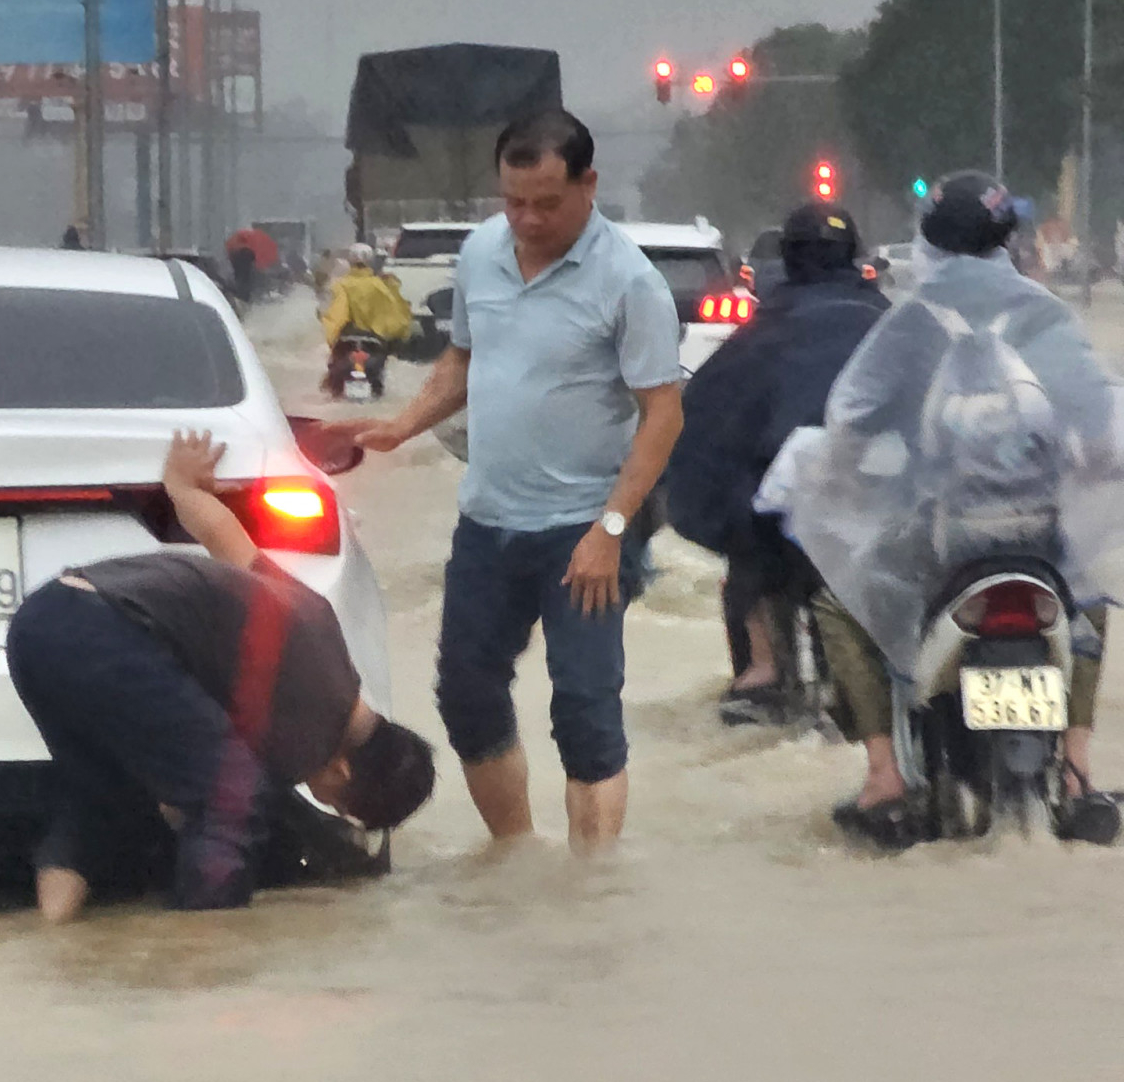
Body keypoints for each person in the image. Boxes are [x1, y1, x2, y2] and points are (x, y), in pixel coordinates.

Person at [328, 108, 685, 853]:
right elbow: (462, 359)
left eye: (547, 203)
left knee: (586, 711)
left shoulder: (630, 282)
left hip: (584, 527)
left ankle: (592, 886)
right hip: (488, 523)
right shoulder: (484, 252)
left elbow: (662, 416)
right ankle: (517, 858)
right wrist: (405, 422)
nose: (526, 219)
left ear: (589, 185)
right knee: (464, 694)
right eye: (513, 200)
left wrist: (612, 529)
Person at [767, 172, 1124, 839]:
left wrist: (843, 475)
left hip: (944, 540)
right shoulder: (1045, 316)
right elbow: (1101, 426)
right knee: (1091, 599)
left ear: (929, 242)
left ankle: (884, 775)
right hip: (1041, 542)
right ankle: (1077, 768)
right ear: (1007, 241)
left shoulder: (912, 323)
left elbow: (852, 424)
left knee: (837, 603)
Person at [4, 430, 437, 922]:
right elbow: (225, 796)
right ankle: (203, 944)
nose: (319, 797)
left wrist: (183, 488)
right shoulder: (310, 729)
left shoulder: (322, 630)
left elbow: (231, 545)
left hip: (41, 621)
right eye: (335, 801)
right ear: (342, 770)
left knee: (100, 792)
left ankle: (54, 928)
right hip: (104, 633)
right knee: (233, 797)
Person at [666, 202, 889, 725]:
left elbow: (698, 429)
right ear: (854, 258)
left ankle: (762, 671)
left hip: (782, 528)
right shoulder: (890, 327)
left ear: (787, 260)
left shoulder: (755, 338)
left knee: (747, 558)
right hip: (875, 520)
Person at [318, 243, 412, 398]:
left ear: (349, 260)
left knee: (332, 384)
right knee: (379, 381)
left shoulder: (340, 284)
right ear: (370, 260)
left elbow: (336, 314)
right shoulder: (381, 285)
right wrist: (399, 335)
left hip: (345, 340)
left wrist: (331, 335)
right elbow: (396, 314)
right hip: (375, 340)